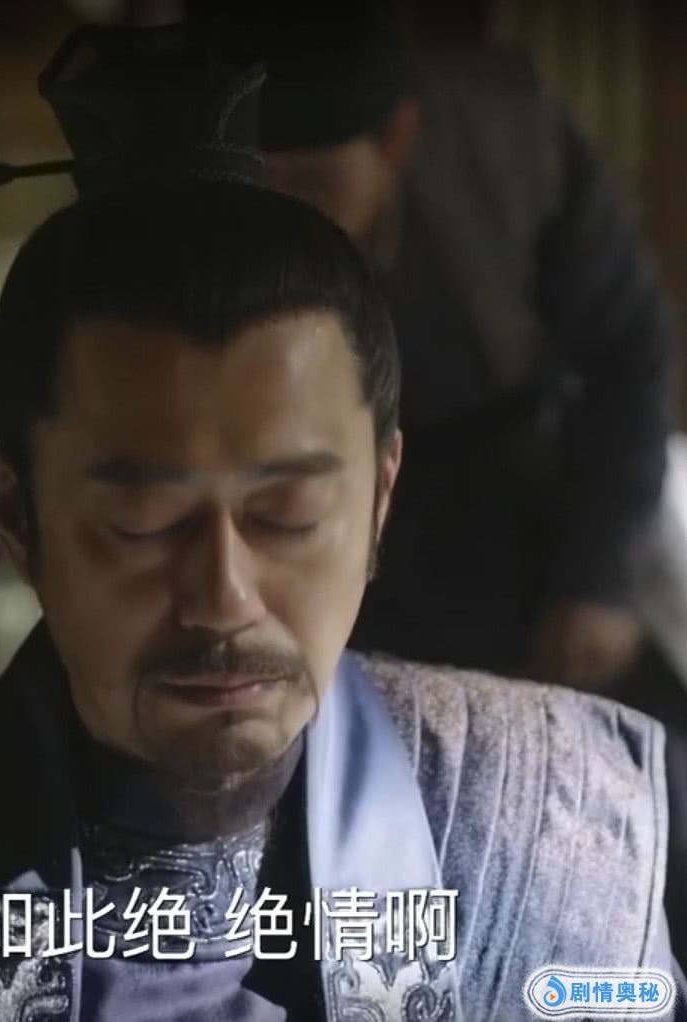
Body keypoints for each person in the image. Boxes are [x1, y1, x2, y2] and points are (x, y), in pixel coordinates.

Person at [0, 25, 683, 1021]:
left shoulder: (567, 820)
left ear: (379, 496)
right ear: (15, 516)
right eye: (142, 521)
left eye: (287, 513)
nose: (222, 596)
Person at [196, 0, 687, 952]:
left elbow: (627, 354)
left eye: (315, 181)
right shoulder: (207, 193)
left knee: (631, 766)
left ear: (399, 138)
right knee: (345, 781)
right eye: (266, 182)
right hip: (310, 513)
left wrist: (599, 579)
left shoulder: (507, 142)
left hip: (515, 485)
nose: (287, 210)